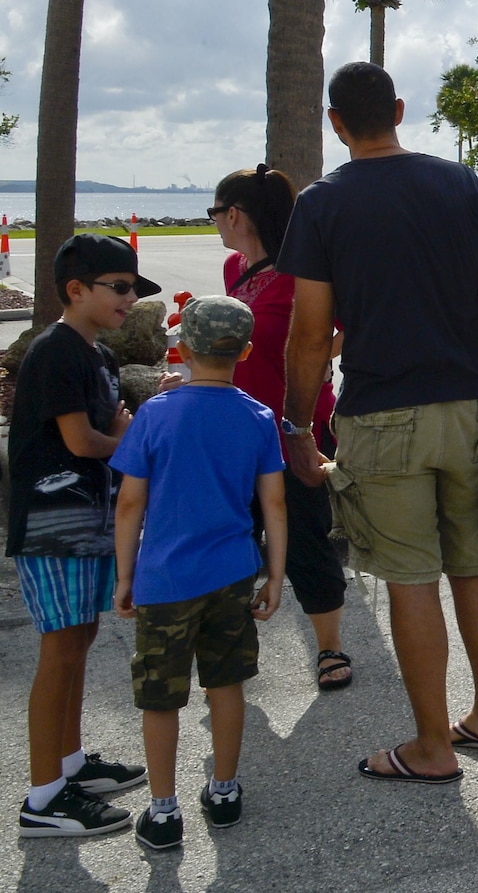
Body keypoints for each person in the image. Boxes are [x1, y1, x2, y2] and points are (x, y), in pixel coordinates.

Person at [278, 62, 478, 784]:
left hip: (381, 412)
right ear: (398, 108)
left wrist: (299, 425)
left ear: (335, 123)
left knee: (410, 578)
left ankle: (430, 745)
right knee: (474, 565)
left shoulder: (322, 203)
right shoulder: (460, 183)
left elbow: (309, 331)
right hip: (472, 405)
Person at [110, 296, 286, 850]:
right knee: (225, 683)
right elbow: (274, 505)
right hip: (232, 573)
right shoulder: (257, 417)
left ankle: (163, 811)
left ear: (181, 349)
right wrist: (275, 575)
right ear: (247, 351)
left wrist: (124, 575)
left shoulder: (156, 414)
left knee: (160, 698)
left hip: (164, 578)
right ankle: (225, 790)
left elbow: (129, 504)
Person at [11, 235, 154, 838]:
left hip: (89, 517)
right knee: (60, 648)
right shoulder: (56, 351)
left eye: (134, 290)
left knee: (81, 635)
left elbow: (111, 426)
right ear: (76, 290)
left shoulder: (100, 357)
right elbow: (82, 441)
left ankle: (69, 767)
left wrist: (120, 433)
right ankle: (43, 799)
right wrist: (130, 441)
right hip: (54, 525)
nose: (130, 300)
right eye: (119, 288)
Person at [210, 166, 347, 692]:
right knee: (234, 535)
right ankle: (229, 646)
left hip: (294, 426)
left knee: (307, 539)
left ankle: (330, 647)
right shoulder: (233, 270)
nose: (216, 224)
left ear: (235, 214)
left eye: (216, 214)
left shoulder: (301, 271)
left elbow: (341, 330)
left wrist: (306, 365)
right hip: (236, 429)